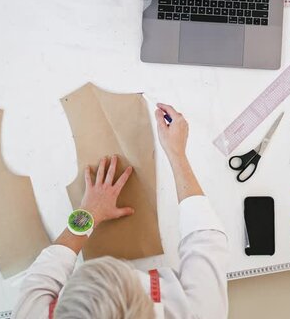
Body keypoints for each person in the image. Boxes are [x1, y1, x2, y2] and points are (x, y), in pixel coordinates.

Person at [13, 103, 228, 319]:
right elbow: (205, 238)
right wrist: (177, 154)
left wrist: (87, 215)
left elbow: (45, 271)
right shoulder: (201, 313)